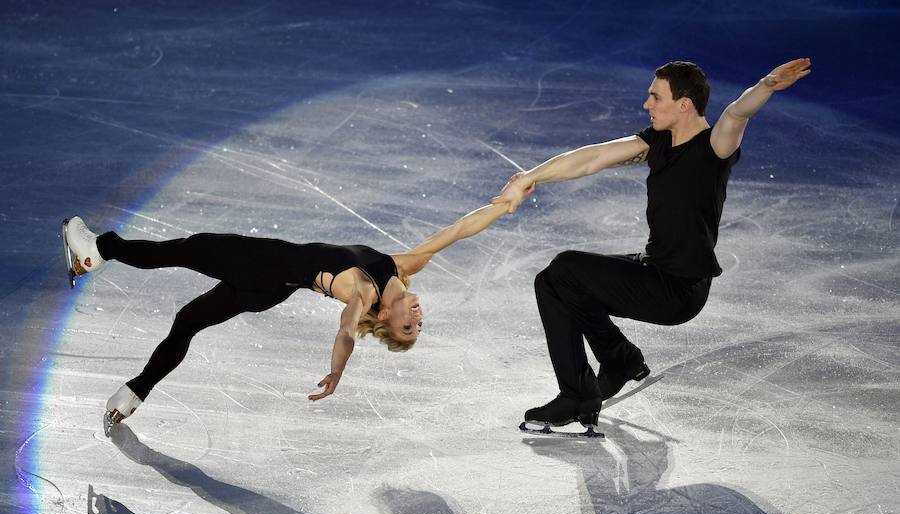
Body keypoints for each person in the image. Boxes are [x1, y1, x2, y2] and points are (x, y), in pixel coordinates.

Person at [492, 58, 812, 428]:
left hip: (679, 290)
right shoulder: (657, 140)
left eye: (655, 97)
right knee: (552, 282)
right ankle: (620, 360)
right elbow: (593, 157)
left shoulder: (713, 148)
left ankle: (579, 396)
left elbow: (738, 112)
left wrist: (767, 84)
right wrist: (530, 177)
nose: (647, 104)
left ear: (684, 104)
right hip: (655, 268)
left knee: (566, 268)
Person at [62, 200, 512, 425]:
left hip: (262, 264)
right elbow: (457, 231)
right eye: (420, 323)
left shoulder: (366, 289)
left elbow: (346, 329)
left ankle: (96, 251)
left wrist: (337, 371)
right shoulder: (403, 266)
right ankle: (134, 393)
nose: (417, 318)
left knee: (184, 249)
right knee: (188, 322)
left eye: (408, 328)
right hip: (268, 289)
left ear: (389, 321)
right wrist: (504, 204)